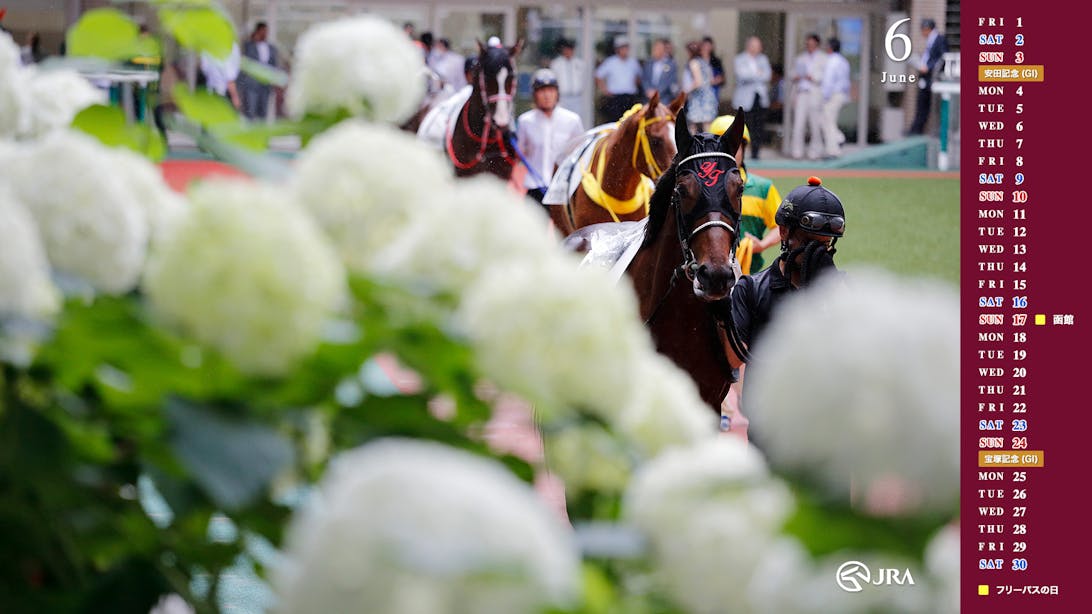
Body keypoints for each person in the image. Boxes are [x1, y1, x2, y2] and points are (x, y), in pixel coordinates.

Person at [729, 176, 845, 355]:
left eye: (824, 245)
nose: (817, 254)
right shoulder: (750, 290)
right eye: (809, 243)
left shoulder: (845, 292)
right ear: (783, 232)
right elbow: (737, 367)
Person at [709, 113, 782, 275]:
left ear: (743, 148)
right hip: (709, 276)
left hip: (750, 277)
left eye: (734, 146)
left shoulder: (763, 188)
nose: (728, 152)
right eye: (722, 146)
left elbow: (780, 226)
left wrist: (762, 244)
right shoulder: (701, 190)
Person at [516, 69, 585, 208]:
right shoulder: (525, 121)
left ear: (557, 93)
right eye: (542, 90)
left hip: (562, 188)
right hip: (535, 186)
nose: (547, 95)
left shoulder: (572, 120)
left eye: (551, 90)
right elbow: (519, 154)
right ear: (534, 94)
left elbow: (580, 154)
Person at [731, 36, 771, 159]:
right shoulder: (739, 59)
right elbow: (742, 75)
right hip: (745, 99)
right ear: (749, 46)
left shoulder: (763, 59)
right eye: (756, 45)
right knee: (744, 126)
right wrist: (757, 74)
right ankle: (741, 153)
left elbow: (767, 75)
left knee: (758, 126)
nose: (758, 48)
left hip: (759, 98)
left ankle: (755, 153)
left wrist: (754, 74)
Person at [788, 33, 825, 160]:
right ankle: (797, 151)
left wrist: (813, 77)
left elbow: (825, 77)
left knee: (815, 125)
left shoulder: (823, 58)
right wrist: (796, 76)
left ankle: (815, 151)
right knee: (799, 124)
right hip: (801, 93)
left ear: (817, 44)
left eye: (812, 44)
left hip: (814, 94)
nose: (809, 46)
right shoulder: (800, 58)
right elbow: (791, 73)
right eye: (808, 44)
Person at [908, 18, 947, 135]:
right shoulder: (930, 40)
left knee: (930, 105)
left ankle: (922, 130)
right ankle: (915, 129)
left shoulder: (939, 39)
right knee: (921, 104)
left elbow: (942, 57)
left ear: (928, 29)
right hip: (925, 77)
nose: (922, 33)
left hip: (932, 78)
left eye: (923, 30)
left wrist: (929, 67)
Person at [595, 36, 642, 124]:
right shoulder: (610, 62)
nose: (625, 50)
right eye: (623, 48)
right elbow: (598, 76)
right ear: (617, 49)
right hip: (615, 98)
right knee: (615, 122)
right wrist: (604, 90)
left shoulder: (633, 62)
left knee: (629, 122)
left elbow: (639, 77)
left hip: (629, 97)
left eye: (626, 48)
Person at [238, 22, 278, 121]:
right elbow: (245, 60)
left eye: (266, 31)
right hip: (251, 84)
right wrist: (253, 40)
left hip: (265, 84)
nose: (265, 33)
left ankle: (262, 134)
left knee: (263, 112)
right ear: (258, 31)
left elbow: (274, 65)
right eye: (263, 31)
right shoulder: (248, 45)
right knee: (250, 110)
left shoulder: (271, 47)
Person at [818, 37, 850, 158]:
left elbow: (828, 81)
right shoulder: (843, 61)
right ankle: (839, 138)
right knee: (826, 121)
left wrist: (825, 97)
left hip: (832, 95)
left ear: (830, 48)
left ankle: (833, 150)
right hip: (841, 95)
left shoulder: (832, 61)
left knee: (828, 122)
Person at [681, 40, 717, 132]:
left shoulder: (694, 62)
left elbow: (698, 82)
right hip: (709, 95)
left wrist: (686, 91)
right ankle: (709, 145)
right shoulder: (704, 62)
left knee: (693, 125)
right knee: (707, 124)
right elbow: (711, 79)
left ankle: (694, 145)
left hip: (699, 97)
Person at [549, 38, 587, 117]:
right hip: (562, 97)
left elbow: (584, 80)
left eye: (570, 49)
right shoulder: (556, 64)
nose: (568, 51)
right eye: (566, 49)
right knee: (562, 117)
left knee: (576, 117)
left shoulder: (579, 63)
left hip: (577, 97)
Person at [200, 41, 242, 110]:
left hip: (210, 89)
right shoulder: (230, 46)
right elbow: (230, 77)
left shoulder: (207, 45)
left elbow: (204, 67)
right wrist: (235, 96)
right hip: (223, 92)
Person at [642, 38, 679, 102]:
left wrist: (657, 92)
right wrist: (648, 90)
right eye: (655, 48)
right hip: (649, 98)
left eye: (659, 48)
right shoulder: (648, 63)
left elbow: (670, 81)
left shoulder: (671, 64)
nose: (656, 51)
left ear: (664, 50)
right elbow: (644, 79)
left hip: (664, 99)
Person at [701, 36, 726, 103]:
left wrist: (719, 79)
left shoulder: (716, 61)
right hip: (700, 93)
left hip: (713, 93)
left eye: (709, 45)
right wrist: (709, 81)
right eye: (705, 45)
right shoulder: (697, 61)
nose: (707, 48)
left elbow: (722, 78)